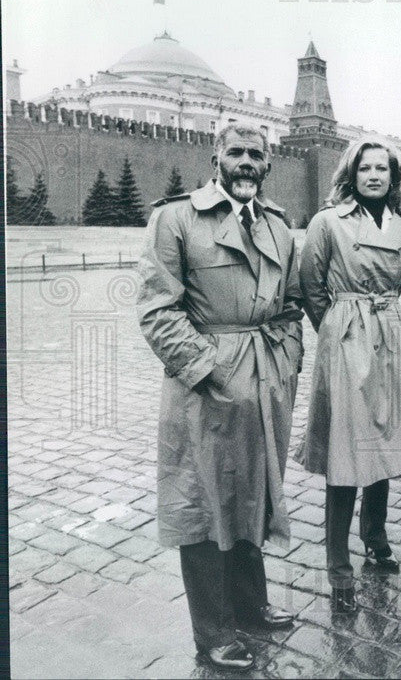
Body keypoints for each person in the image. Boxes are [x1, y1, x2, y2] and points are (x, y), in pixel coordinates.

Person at [137, 124, 303, 671]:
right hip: (203, 387)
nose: (247, 162)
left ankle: (251, 606)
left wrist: (284, 362)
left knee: (253, 489)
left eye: (257, 154)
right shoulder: (176, 217)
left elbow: (291, 306)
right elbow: (159, 309)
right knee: (203, 502)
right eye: (236, 152)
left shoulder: (280, 227)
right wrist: (208, 370)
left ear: (269, 164)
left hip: (264, 381)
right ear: (216, 158)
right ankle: (212, 631)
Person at [296, 139, 401, 613]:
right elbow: (310, 287)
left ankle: (375, 536)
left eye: (382, 168)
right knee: (347, 448)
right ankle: (337, 561)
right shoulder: (327, 221)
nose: (374, 175)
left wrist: (380, 318)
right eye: (364, 167)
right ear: (351, 174)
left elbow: (400, 282)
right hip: (348, 335)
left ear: (394, 177)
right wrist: (337, 331)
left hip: (390, 332)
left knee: (384, 436)